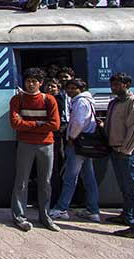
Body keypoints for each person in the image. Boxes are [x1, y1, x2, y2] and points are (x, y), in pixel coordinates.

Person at [10, 67, 61, 232]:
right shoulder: (17, 100)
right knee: (21, 181)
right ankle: (19, 217)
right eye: (28, 81)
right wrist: (40, 124)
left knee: (46, 182)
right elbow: (15, 124)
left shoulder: (49, 100)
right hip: (26, 143)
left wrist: (28, 125)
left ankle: (45, 216)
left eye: (34, 81)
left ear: (41, 83)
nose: (31, 84)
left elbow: (55, 124)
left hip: (46, 144)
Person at [49, 78, 101, 223]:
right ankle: (93, 210)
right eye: (68, 88)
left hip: (78, 144)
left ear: (81, 88)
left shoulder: (80, 102)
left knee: (69, 178)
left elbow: (78, 122)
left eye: (74, 88)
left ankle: (61, 208)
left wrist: (71, 137)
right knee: (89, 178)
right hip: (86, 145)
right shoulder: (88, 100)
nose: (70, 91)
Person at [105, 72, 134, 239]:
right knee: (125, 188)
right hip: (117, 149)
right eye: (113, 84)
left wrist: (126, 150)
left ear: (127, 85)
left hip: (130, 151)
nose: (114, 87)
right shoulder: (115, 103)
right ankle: (127, 216)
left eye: (118, 84)